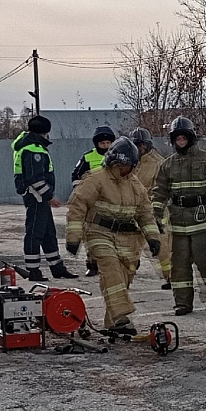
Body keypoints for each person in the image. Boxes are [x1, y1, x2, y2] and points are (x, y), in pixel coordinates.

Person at [66, 137, 160, 335]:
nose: (123, 168)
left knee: (121, 280)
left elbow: (145, 213)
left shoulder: (135, 185)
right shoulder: (95, 179)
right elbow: (77, 206)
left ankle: (113, 324)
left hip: (128, 239)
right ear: (111, 161)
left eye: (127, 165)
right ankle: (122, 318)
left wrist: (153, 238)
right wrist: (73, 237)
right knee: (111, 270)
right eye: (120, 163)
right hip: (99, 233)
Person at [153, 116, 206, 316]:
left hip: (203, 220)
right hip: (178, 223)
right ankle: (183, 303)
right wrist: (155, 215)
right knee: (179, 266)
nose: (180, 142)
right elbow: (159, 192)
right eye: (177, 139)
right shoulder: (167, 165)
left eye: (183, 138)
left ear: (191, 138)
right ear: (173, 141)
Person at [13, 115, 75, 281]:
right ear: (45, 132)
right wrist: (50, 196)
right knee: (34, 233)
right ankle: (33, 271)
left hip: (38, 197)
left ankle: (57, 267)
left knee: (48, 233)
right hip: (36, 197)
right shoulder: (34, 149)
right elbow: (35, 178)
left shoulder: (28, 145)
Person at [129, 127, 173, 289]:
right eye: (137, 145)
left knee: (162, 247)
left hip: (155, 212)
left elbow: (161, 190)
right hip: (134, 212)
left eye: (142, 145)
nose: (140, 148)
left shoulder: (158, 163)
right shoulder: (130, 162)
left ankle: (171, 278)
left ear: (147, 144)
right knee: (131, 247)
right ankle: (127, 278)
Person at [72, 126, 118, 277]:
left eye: (108, 143)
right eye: (102, 143)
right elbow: (76, 176)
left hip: (113, 201)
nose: (105, 146)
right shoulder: (88, 157)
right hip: (93, 203)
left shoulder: (119, 156)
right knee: (91, 234)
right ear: (96, 143)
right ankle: (92, 265)